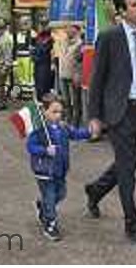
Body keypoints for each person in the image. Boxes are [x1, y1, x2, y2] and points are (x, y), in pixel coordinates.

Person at [85, 0, 136, 245]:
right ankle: (132, 224)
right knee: (128, 169)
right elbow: (97, 79)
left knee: (129, 163)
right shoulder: (109, 37)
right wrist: (94, 115)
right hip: (117, 111)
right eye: (133, 5)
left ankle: (95, 190)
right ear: (120, 11)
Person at [27, 94, 91, 241]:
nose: (58, 115)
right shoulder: (39, 129)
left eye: (60, 112)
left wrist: (88, 132)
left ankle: (42, 206)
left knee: (61, 193)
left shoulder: (63, 127)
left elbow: (75, 133)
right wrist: (44, 150)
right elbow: (31, 146)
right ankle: (50, 224)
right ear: (44, 111)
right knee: (50, 197)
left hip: (60, 169)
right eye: (54, 112)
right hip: (45, 171)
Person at [58, 24, 83, 127]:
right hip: (63, 74)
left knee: (76, 102)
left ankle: (75, 124)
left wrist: (78, 74)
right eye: (67, 28)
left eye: (70, 28)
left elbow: (80, 62)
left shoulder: (80, 44)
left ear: (76, 30)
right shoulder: (63, 42)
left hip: (73, 76)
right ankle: (68, 122)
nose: (67, 30)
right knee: (66, 101)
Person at [33, 24, 54, 100]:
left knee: (43, 83)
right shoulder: (38, 38)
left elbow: (44, 51)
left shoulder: (49, 40)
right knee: (38, 83)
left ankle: (43, 100)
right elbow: (36, 50)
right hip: (38, 64)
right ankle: (39, 99)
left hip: (44, 64)